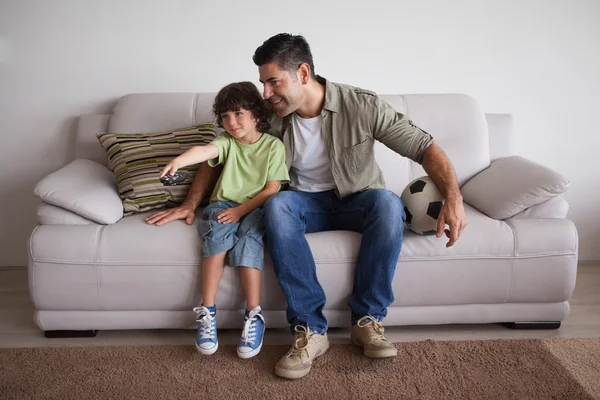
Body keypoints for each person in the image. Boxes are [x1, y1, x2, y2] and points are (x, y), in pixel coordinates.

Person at [147, 34, 467, 379]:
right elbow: (221, 154)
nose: (266, 93)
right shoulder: (269, 114)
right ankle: (310, 330)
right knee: (278, 205)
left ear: (302, 73)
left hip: (356, 199)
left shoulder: (361, 105)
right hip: (302, 202)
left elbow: (423, 146)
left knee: (388, 204)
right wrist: (191, 202)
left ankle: (367, 320)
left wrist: (454, 196)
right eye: (263, 84)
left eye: (273, 82)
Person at [158, 81, 289, 359]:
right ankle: (207, 313)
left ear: (256, 113)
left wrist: (241, 212)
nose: (231, 122)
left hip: (257, 207)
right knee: (216, 237)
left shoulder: (273, 146)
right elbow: (205, 152)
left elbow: (271, 189)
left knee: (249, 242)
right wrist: (180, 160)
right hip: (223, 204)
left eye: (239, 113)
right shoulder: (226, 143)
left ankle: (253, 315)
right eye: (226, 116)